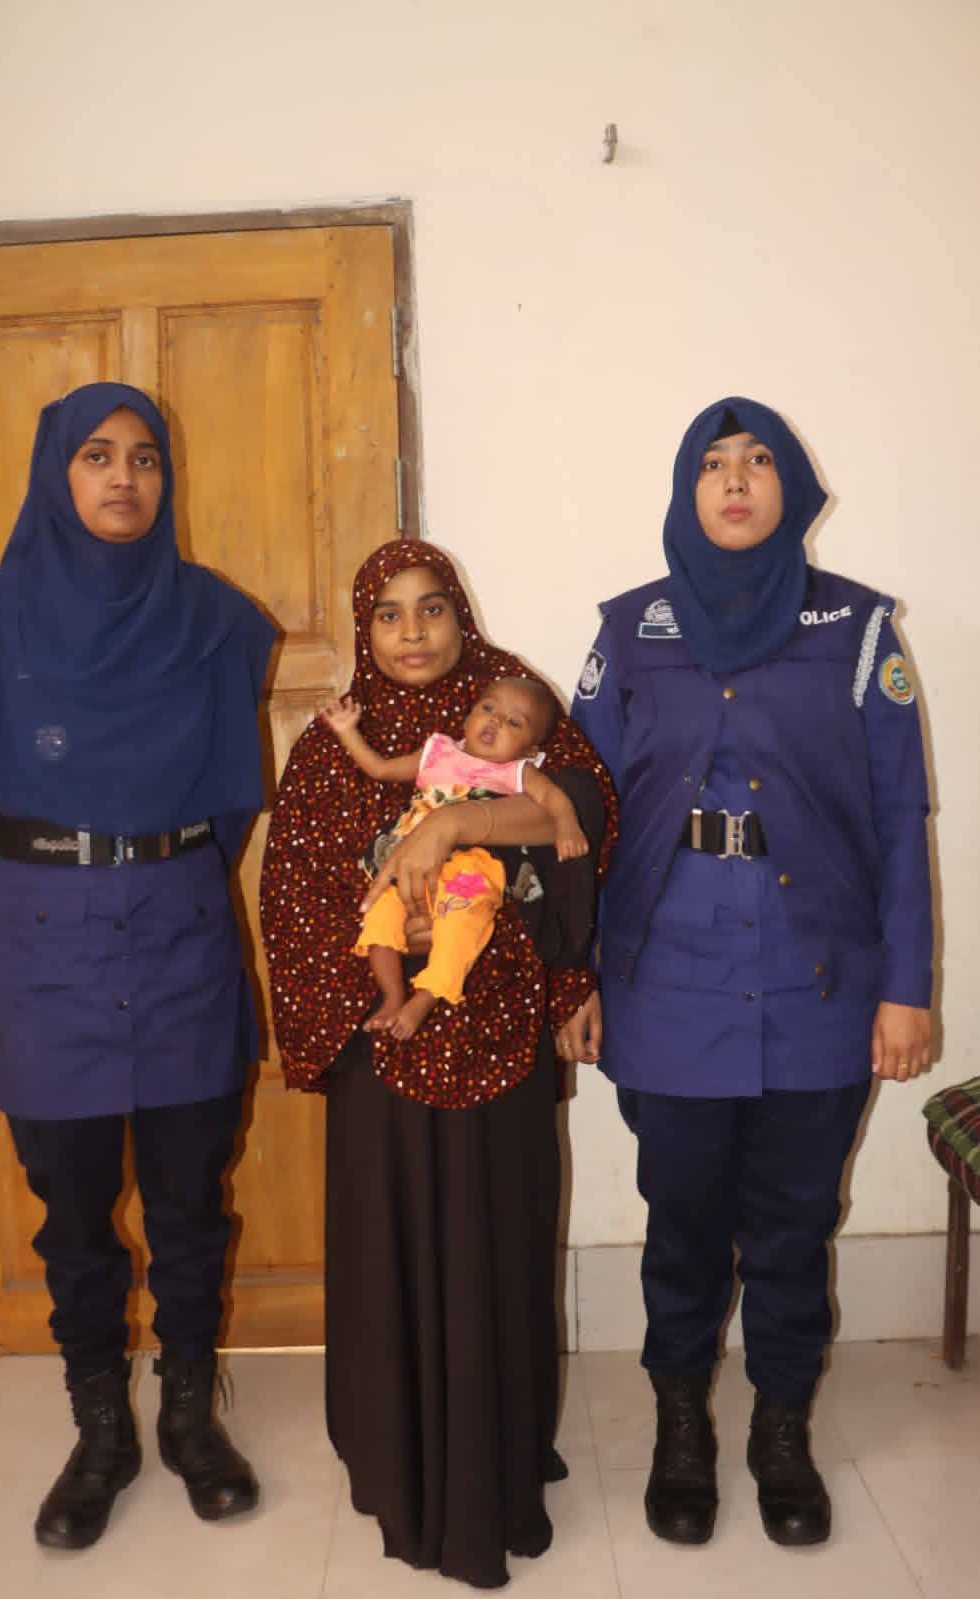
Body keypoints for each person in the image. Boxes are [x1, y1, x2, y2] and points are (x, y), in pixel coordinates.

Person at [565, 396, 933, 1549]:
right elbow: (576, 814)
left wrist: (907, 987)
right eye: (713, 463)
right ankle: (680, 1428)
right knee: (680, 1220)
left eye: (758, 460)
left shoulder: (856, 628)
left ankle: (780, 1432)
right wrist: (573, 975)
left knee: (790, 1225)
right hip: (664, 977)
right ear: (686, 489)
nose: (734, 480)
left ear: (792, 488)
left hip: (818, 979)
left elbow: (899, 819)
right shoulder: (629, 630)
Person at [0, 382, 276, 1550]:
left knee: (190, 1197)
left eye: (144, 457)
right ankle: (98, 1429)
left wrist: (158, 873)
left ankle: (187, 1413)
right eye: (96, 455)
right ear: (57, 472)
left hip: (181, 928)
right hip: (46, 943)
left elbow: (235, 793)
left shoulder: (217, 620)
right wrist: (52, 885)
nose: (123, 476)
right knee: (72, 1212)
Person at [261, 539, 616, 1590]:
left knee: (493, 1237)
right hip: (380, 1042)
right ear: (362, 627)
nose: (411, 633)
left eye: (432, 609)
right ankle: (399, 1461)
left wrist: (460, 825)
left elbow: (584, 820)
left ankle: (493, 1463)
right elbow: (293, 892)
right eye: (388, 613)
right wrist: (373, 966)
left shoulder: (515, 710)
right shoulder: (332, 748)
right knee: (397, 1245)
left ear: (462, 616)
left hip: (496, 1030)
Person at [320, 675, 588, 1038]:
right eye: (488, 708)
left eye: (514, 722)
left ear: (529, 750)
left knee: (462, 924)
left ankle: (428, 995)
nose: (495, 721)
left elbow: (554, 800)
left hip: (472, 868)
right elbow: (381, 769)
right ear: (468, 715)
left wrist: (568, 825)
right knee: (379, 916)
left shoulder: (517, 771)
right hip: (414, 866)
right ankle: (393, 994)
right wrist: (347, 732)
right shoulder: (438, 752)